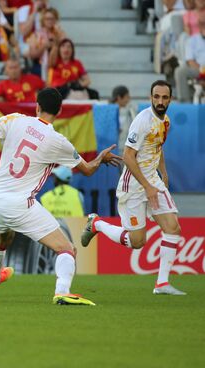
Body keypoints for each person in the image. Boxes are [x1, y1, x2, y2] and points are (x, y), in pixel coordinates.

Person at [0, 87, 121, 305]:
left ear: (37, 106)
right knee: (67, 249)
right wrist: (100, 158)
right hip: (19, 204)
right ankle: (62, 291)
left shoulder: (16, 120)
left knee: (4, 237)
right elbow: (88, 170)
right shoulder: (58, 141)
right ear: (59, 111)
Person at [81, 80, 186, 296]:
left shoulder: (165, 121)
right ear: (150, 97)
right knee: (138, 241)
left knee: (173, 228)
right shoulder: (142, 120)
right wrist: (147, 186)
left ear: (170, 99)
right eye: (156, 97)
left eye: (164, 97)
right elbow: (128, 155)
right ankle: (97, 224)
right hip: (135, 185)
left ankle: (162, 284)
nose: (160, 101)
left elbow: (158, 147)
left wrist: (163, 174)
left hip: (152, 182)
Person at [110, 85, 136, 156]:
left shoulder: (130, 112)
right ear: (119, 97)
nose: (128, 100)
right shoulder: (108, 113)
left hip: (124, 150)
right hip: (113, 150)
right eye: (127, 97)